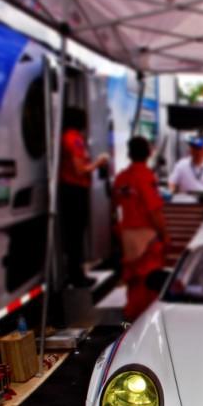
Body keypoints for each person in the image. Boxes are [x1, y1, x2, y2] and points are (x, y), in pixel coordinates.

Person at [113, 135, 169, 322]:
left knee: (133, 279)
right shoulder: (145, 176)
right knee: (149, 281)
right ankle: (146, 321)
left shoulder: (121, 178)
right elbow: (154, 210)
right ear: (147, 153)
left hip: (127, 236)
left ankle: (131, 317)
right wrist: (164, 234)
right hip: (146, 236)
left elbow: (116, 207)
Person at [59, 106, 108, 287]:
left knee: (74, 235)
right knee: (76, 235)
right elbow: (80, 169)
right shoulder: (74, 140)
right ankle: (77, 276)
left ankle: (75, 273)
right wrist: (99, 162)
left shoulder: (66, 137)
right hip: (75, 190)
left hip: (69, 189)